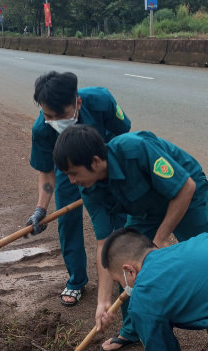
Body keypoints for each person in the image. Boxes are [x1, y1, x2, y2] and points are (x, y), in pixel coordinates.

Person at [53, 125, 208, 351]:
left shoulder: (136, 149)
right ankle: (133, 330)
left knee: (205, 261)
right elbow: (104, 245)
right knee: (124, 260)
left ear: (96, 162)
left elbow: (185, 188)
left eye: (74, 173)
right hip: (145, 209)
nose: (71, 181)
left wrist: (159, 239)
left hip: (186, 194)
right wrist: (102, 302)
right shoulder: (90, 190)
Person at [26, 71, 131, 307]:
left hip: (105, 161)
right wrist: (41, 209)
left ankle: (122, 274)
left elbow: (123, 135)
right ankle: (76, 280)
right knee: (68, 220)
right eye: (48, 115)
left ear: (78, 103)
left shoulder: (101, 101)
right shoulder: (42, 129)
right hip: (68, 170)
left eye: (61, 115)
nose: (54, 120)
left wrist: (112, 173)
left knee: (120, 219)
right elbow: (46, 171)